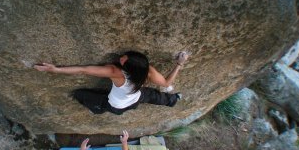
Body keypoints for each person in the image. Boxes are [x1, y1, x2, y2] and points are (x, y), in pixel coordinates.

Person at [34, 51, 189, 115]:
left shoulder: (116, 72)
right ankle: (174, 99)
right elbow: (167, 82)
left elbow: (84, 70)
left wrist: (56, 70)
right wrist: (179, 64)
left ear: (130, 68)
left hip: (117, 105)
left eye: (124, 60)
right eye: (124, 56)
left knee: (82, 95)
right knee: (154, 96)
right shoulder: (148, 70)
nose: (121, 58)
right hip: (136, 98)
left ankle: (95, 109)